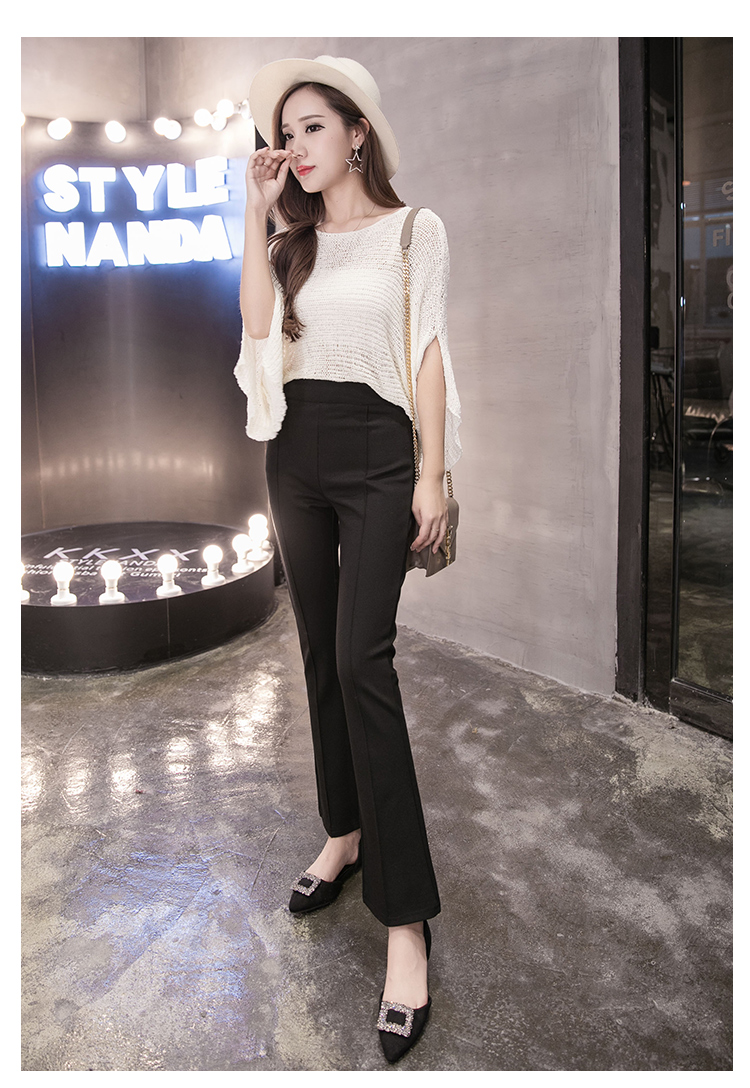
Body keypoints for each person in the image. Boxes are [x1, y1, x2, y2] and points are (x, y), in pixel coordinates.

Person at [235, 55, 462, 1063]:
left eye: (313, 127)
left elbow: (428, 352)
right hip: (295, 454)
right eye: (283, 134)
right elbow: (255, 328)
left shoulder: (415, 231)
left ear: (358, 132)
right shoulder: (290, 244)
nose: (295, 147)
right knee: (321, 654)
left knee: (364, 659)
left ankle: (406, 920)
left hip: (377, 455)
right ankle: (345, 832)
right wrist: (256, 216)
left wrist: (432, 474)